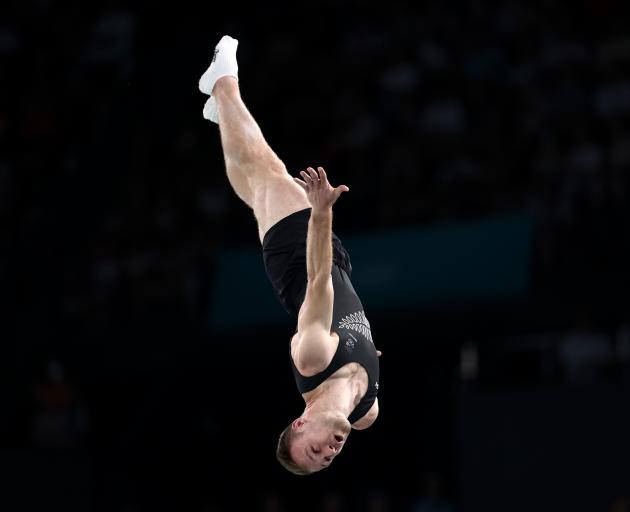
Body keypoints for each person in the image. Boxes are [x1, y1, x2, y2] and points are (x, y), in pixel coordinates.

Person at [198, 35, 381, 475]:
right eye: (327, 462)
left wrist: (320, 214)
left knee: (263, 170)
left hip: (301, 256)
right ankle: (220, 112)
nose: (329, 453)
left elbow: (318, 279)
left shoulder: (313, 357)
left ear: (301, 423)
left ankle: (222, 82)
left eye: (313, 451)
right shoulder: (367, 412)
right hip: (337, 261)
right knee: (255, 188)